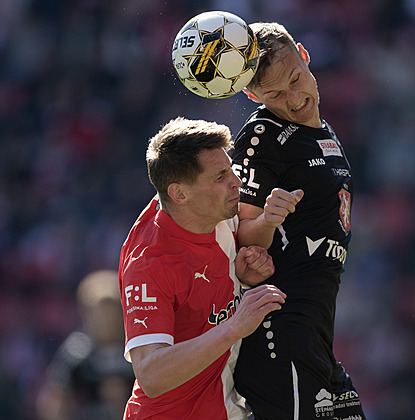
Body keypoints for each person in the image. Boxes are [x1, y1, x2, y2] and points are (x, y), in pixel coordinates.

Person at [229, 22, 366, 419]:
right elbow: (243, 240)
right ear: (252, 94)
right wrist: (270, 220)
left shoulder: (326, 133)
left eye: (295, 79)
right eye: (274, 93)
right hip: (279, 331)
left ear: (305, 57)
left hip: (316, 335)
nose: (293, 98)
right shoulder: (260, 135)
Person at [118, 117, 287, 419]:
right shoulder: (148, 262)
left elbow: (246, 240)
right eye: (220, 176)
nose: (236, 181)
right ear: (179, 194)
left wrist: (244, 274)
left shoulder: (211, 205)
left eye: (230, 168)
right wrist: (234, 327)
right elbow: (151, 374)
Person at [36, 269, 136, 420]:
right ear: (85, 312)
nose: (106, 319)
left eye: (112, 310)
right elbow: (56, 400)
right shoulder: (76, 352)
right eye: (100, 311)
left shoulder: (134, 351)